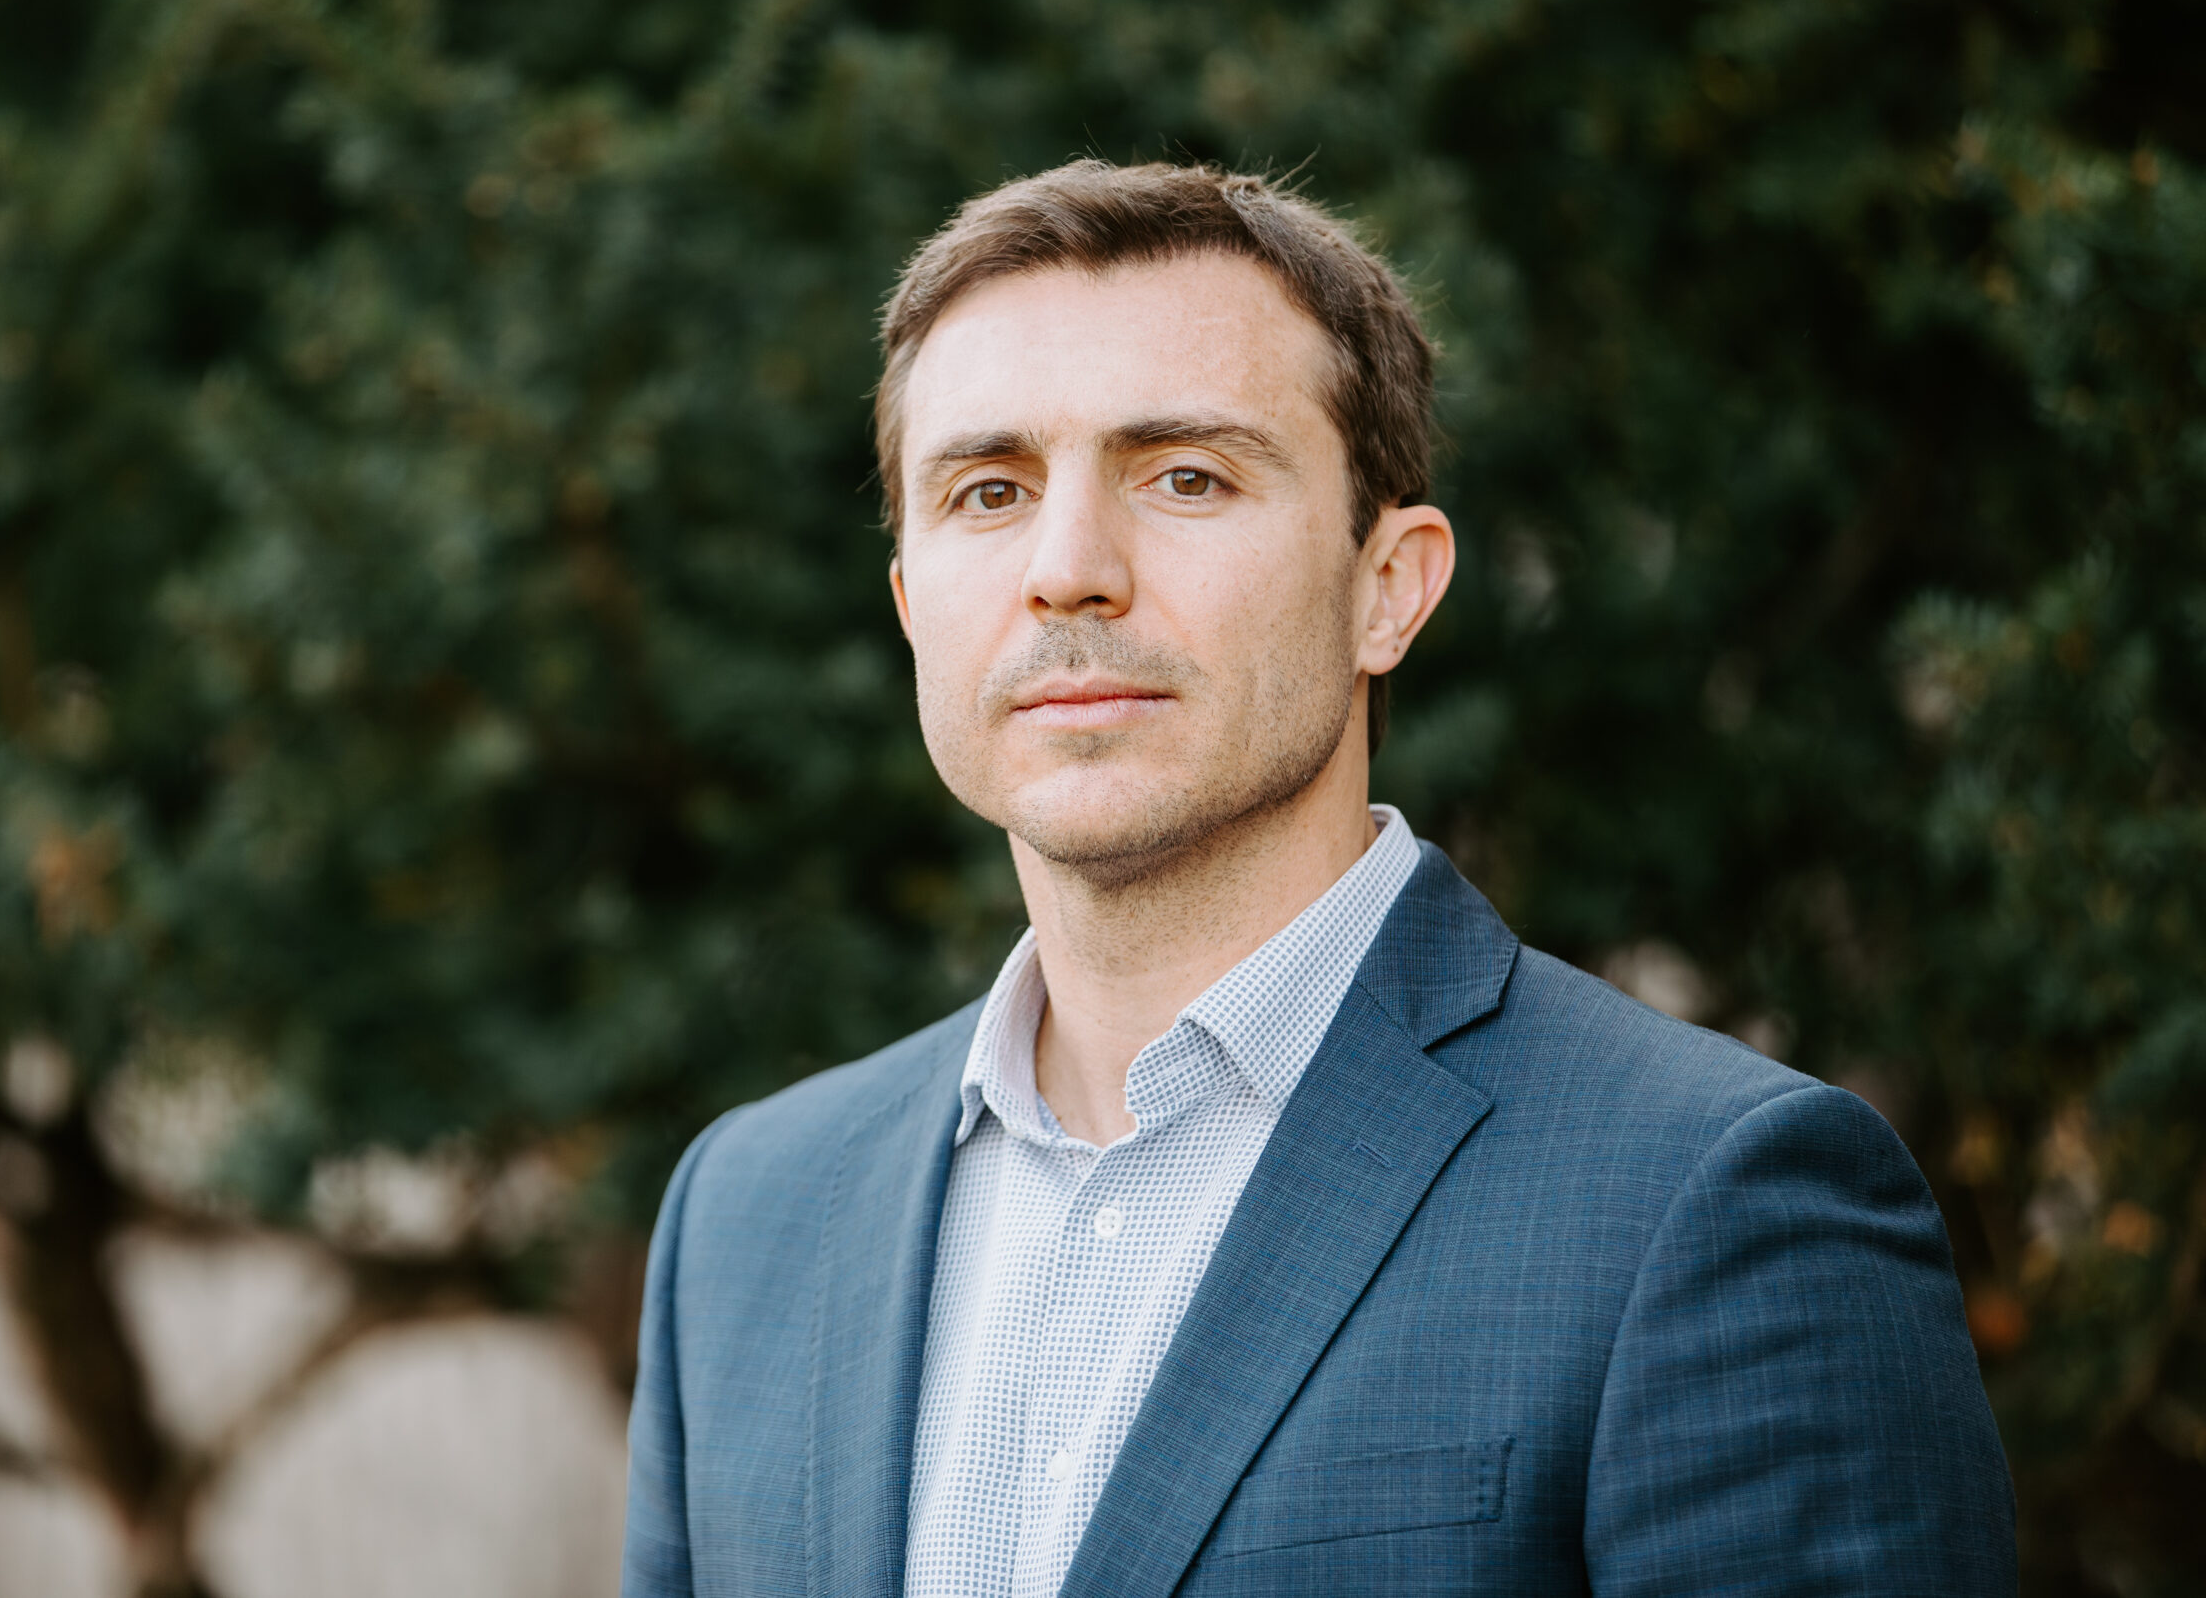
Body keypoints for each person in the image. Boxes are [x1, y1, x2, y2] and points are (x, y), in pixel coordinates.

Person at [621, 160, 2014, 1597]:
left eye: (1186, 476)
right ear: (914, 606)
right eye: (988, 490)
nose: (1069, 568)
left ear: (1388, 586)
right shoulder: (744, 1218)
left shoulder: (1715, 1204)